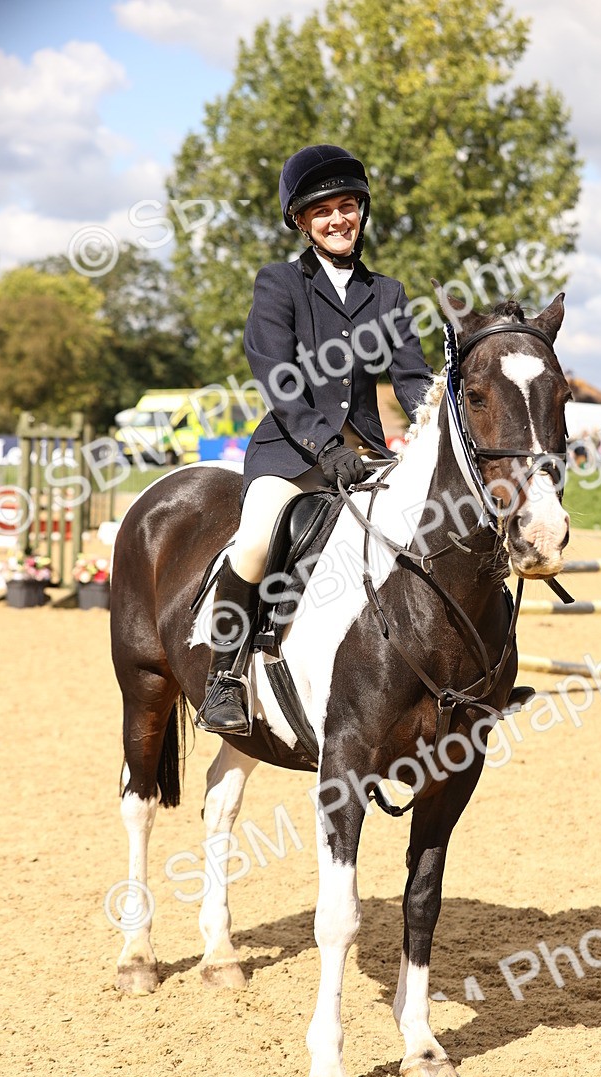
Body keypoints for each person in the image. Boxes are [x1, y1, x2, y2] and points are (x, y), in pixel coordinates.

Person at [196, 144, 433, 734]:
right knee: (254, 542)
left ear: (361, 212)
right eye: (322, 211)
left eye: (347, 206)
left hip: (367, 457)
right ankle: (225, 676)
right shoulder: (279, 284)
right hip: (292, 452)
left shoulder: (389, 294)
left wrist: (437, 429)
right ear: (302, 222)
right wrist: (325, 446)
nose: (337, 220)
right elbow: (278, 374)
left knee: (433, 529)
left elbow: (411, 379)